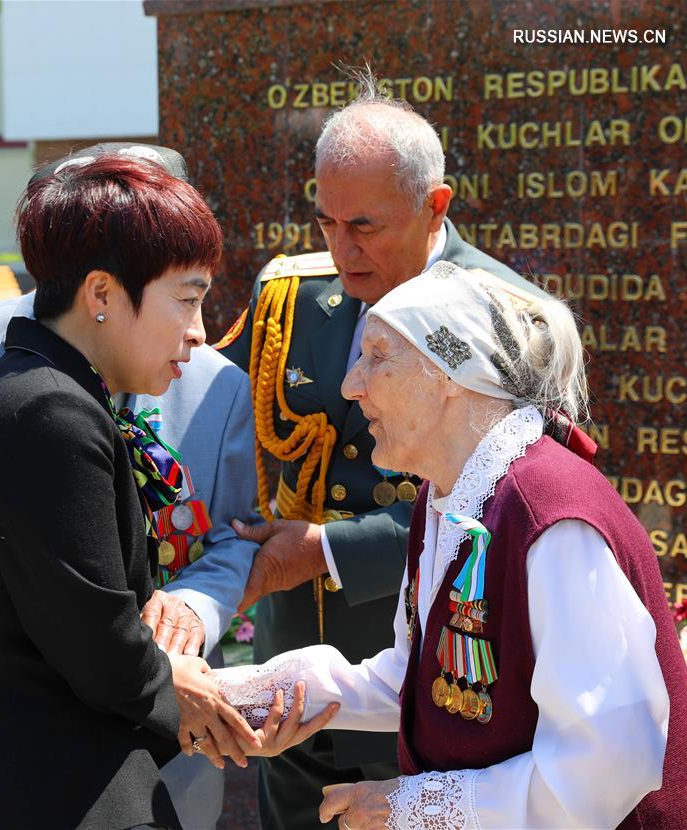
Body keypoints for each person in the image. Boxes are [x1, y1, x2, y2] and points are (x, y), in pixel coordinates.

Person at [0, 144, 259, 829]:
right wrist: (186, 690)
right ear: (100, 293)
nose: (198, 334)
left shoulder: (33, 385)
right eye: (187, 300)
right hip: (32, 788)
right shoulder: (51, 413)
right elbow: (95, 641)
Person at [216, 262, 687, 829]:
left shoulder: (548, 512)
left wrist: (413, 809)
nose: (351, 385)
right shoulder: (448, 496)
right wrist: (260, 692)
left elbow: (610, 759)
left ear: (449, 374)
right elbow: (424, 680)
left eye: (376, 356)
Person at [216, 79, 573, 828]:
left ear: (435, 206)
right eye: (326, 222)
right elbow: (221, 419)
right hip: (296, 657)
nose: (342, 250)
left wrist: (331, 550)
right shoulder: (293, 294)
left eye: (366, 226)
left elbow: (526, 499)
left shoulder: (511, 321)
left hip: (438, 672)